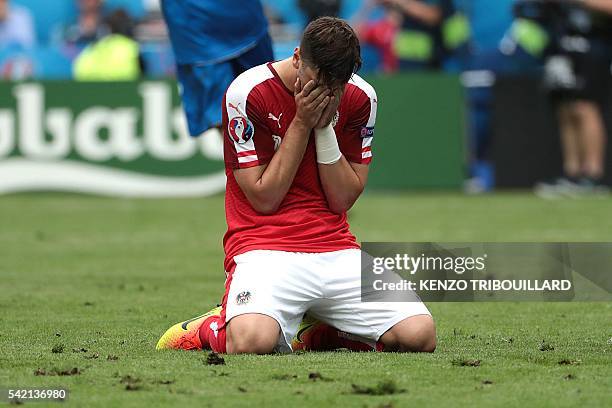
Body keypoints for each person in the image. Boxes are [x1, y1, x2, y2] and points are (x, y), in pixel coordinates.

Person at [157, 17, 436, 355]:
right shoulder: (248, 92)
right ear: (297, 58)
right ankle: (209, 327)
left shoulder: (362, 97)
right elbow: (264, 197)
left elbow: (342, 199)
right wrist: (302, 122)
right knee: (251, 343)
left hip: (336, 250)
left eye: (338, 85)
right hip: (264, 248)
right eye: (319, 82)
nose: (328, 93)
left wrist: (325, 128)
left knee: (419, 336)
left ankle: (320, 333)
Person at [160, 0, 274, 138]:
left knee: (268, 104)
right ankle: (248, 157)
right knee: (228, 114)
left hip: (231, 24)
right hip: (198, 31)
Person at [534, 0, 612, 196]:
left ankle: (593, 174)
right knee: (565, 107)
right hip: (564, 44)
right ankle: (572, 172)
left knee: (584, 106)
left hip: (594, 45)